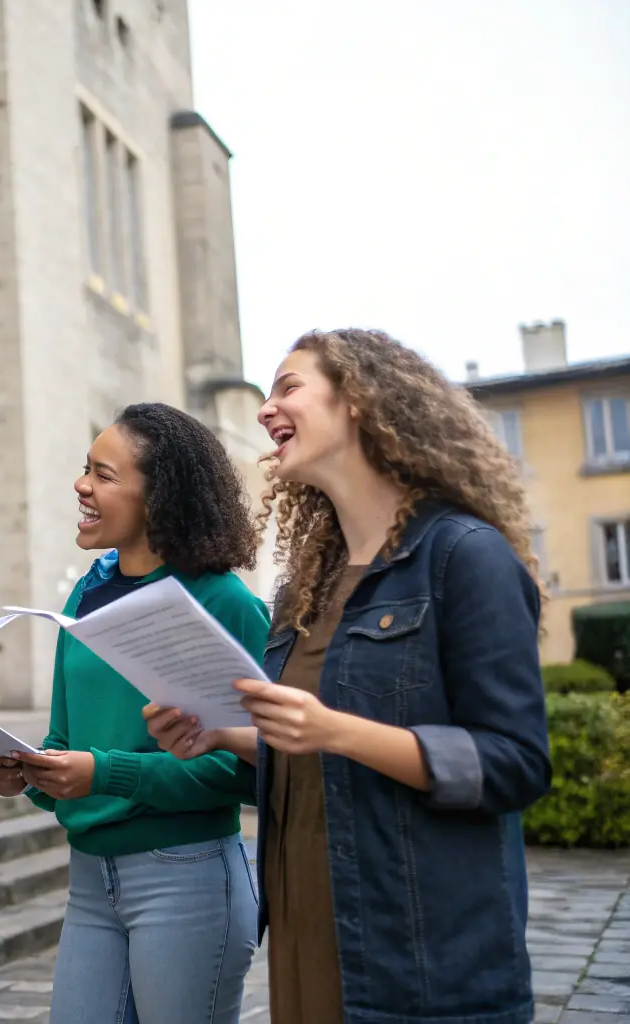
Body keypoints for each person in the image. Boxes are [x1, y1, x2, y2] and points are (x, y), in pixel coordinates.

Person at [145, 329, 552, 1024]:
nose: (264, 409)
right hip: (307, 933)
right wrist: (222, 736)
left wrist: (336, 731)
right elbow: (313, 759)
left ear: (359, 400)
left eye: (287, 386)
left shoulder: (464, 556)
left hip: (418, 959)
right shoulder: (303, 588)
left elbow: (514, 764)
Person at [0, 403, 268, 1024]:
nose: (82, 486)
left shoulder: (224, 602)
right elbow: (67, 736)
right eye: (86, 469)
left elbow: (258, 768)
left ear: (159, 497)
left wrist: (106, 773)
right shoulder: (87, 592)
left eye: (104, 475)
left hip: (187, 876)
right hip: (89, 880)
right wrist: (30, 771)